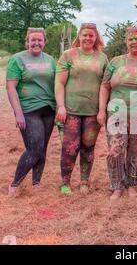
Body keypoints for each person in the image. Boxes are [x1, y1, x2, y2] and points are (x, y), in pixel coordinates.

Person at [97, 26, 137, 200]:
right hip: (117, 114)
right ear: (126, 41)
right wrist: (101, 110)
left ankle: (132, 184)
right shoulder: (116, 62)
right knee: (116, 148)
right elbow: (104, 86)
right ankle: (117, 185)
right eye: (130, 39)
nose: (134, 42)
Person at [55, 23, 108, 194]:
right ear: (79, 36)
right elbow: (60, 83)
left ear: (96, 38)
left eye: (91, 35)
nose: (87, 38)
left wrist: (102, 110)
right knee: (69, 147)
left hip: (92, 112)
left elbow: (106, 86)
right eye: (85, 35)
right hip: (70, 111)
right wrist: (61, 106)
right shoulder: (68, 55)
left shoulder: (102, 58)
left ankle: (84, 181)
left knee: (88, 147)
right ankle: (65, 182)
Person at [6, 28, 57, 196]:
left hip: (49, 110)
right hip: (28, 110)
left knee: (42, 149)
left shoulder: (50, 60)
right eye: (33, 40)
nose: (36, 43)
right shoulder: (17, 59)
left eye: (40, 40)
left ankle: (36, 183)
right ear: (27, 41)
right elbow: (11, 87)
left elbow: (57, 84)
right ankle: (15, 184)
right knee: (34, 148)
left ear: (44, 42)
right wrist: (18, 113)